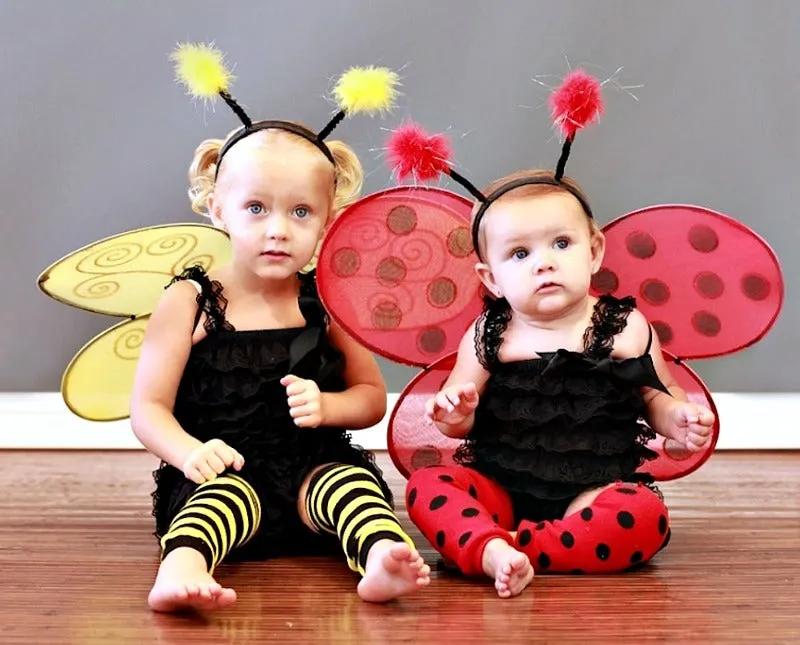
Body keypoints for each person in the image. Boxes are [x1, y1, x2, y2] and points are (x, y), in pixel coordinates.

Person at [392, 69, 714, 598]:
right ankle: (495, 540)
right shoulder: (489, 334)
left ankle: (510, 547)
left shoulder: (623, 327)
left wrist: (677, 419)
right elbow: (459, 419)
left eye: (560, 244)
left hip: (591, 490)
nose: (544, 263)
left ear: (593, 251)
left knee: (643, 516)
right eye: (520, 253)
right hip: (499, 487)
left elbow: (658, 395)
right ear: (490, 278)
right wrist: (455, 412)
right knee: (430, 485)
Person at [131, 42, 429, 612]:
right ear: (218, 208)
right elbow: (148, 406)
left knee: (352, 490)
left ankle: (382, 556)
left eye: (300, 212)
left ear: (328, 219)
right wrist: (188, 452)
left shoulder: (326, 301)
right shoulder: (192, 300)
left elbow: (369, 398)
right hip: (227, 469)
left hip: (309, 472)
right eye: (255, 209)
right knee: (211, 505)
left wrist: (329, 407)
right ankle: (182, 568)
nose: (278, 231)